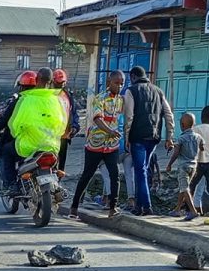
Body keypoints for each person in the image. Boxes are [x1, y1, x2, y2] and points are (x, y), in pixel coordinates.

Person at [71, 69, 125, 219]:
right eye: (116, 83)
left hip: (112, 145)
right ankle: (74, 207)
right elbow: (97, 119)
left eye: (122, 84)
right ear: (109, 82)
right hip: (95, 143)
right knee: (87, 175)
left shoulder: (120, 100)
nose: (119, 87)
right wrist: (110, 131)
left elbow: (120, 120)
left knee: (115, 175)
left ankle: (113, 207)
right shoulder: (100, 98)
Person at [124, 66, 173, 216]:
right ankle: (139, 206)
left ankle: (146, 206)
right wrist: (169, 136)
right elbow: (168, 114)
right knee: (143, 169)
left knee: (141, 171)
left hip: (137, 137)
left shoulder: (131, 91)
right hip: (154, 136)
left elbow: (129, 116)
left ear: (132, 76)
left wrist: (126, 137)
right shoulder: (159, 91)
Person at [0, 70, 36, 193]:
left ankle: (11, 185)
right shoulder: (48, 99)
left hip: (26, 141)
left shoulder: (20, 101)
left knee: (5, 151)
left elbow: (5, 119)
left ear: (22, 86)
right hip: (48, 142)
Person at [166, 112, 205, 219]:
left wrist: (169, 164)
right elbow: (202, 148)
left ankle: (193, 211)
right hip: (194, 166)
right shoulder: (198, 137)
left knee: (185, 188)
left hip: (183, 166)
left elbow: (176, 153)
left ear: (182, 125)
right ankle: (177, 209)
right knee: (183, 188)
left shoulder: (181, 138)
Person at [190, 105, 209, 218]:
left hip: (199, 162)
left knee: (191, 185)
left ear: (202, 116)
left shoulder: (197, 129)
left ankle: (190, 209)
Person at [52, 68, 78, 175]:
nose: (61, 85)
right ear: (53, 82)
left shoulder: (68, 96)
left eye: (63, 83)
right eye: (58, 83)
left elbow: (73, 114)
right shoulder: (49, 96)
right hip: (51, 137)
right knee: (51, 164)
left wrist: (75, 127)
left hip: (64, 137)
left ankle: (57, 186)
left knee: (60, 168)